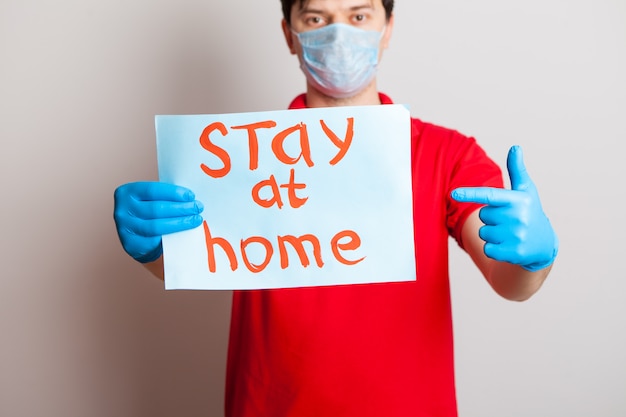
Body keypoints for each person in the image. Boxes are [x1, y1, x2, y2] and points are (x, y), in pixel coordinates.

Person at [113, 0, 559, 415]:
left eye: (360, 16)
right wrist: (153, 248)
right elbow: (192, 260)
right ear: (289, 34)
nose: (339, 34)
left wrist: (534, 259)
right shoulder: (236, 157)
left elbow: (510, 281)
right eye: (316, 19)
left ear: (388, 29)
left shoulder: (448, 154)